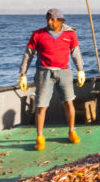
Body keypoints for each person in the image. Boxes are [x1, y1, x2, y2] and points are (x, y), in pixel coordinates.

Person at [18, 9, 85, 150]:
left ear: (60, 20)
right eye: (48, 19)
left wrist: (80, 70)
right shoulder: (37, 34)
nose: (49, 22)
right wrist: (22, 73)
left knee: (68, 102)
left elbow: (76, 53)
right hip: (43, 73)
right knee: (41, 105)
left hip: (64, 72)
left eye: (53, 19)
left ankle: (72, 131)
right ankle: (40, 137)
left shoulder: (70, 34)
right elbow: (28, 55)